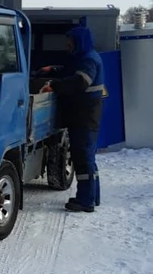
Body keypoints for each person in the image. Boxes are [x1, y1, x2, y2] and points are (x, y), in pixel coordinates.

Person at [40, 26, 105, 213]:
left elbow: (79, 81)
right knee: (88, 159)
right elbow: (70, 71)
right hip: (83, 116)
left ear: (79, 41)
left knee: (83, 159)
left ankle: (85, 201)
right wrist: (51, 70)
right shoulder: (82, 58)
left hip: (85, 117)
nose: (67, 45)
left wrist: (55, 86)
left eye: (71, 41)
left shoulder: (89, 60)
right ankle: (93, 196)